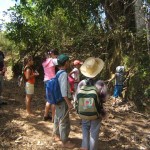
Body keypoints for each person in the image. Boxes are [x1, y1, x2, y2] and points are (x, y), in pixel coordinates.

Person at [76, 57, 107, 150]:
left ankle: (84, 147)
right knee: (94, 133)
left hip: (84, 111)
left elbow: (77, 97)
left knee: (85, 129)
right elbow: (104, 99)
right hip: (96, 112)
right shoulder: (101, 83)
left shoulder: (81, 83)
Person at [53, 54, 75, 148]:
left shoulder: (58, 72)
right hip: (62, 101)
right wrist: (69, 103)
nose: (69, 63)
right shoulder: (64, 74)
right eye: (68, 61)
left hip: (57, 100)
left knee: (58, 117)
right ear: (66, 62)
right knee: (63, 121)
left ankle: (57, 135)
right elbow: (63, 91)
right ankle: (64, 142)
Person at [42, 49, 59, 122]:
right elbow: (61, 62)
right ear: (53, 54)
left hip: (46, 80)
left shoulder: (44, 62)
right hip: (52, 80)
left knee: (48, 99)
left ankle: (45, 115)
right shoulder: (53, 60)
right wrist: (56, 57)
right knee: (53, 101)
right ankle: (53, 118)